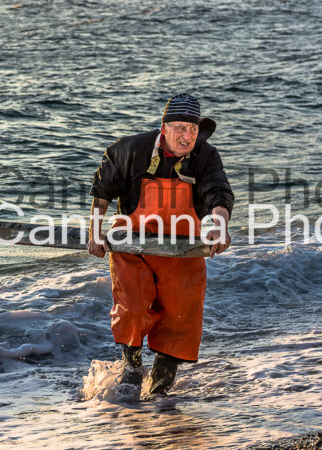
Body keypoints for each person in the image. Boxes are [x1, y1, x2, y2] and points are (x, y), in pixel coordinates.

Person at [87, 93, 234, 395]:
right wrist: (95, 230)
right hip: (131, 246)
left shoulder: (206, 157)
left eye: (192, 130)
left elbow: (218, 192)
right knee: (131, 308)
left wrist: (220, 224)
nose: (187, 136)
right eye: (180, 127)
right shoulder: (129, 150)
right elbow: (102, 191)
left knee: (180, 319)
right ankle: (132, 368)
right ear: (164, 128)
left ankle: (161, 392)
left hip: (183, 249)